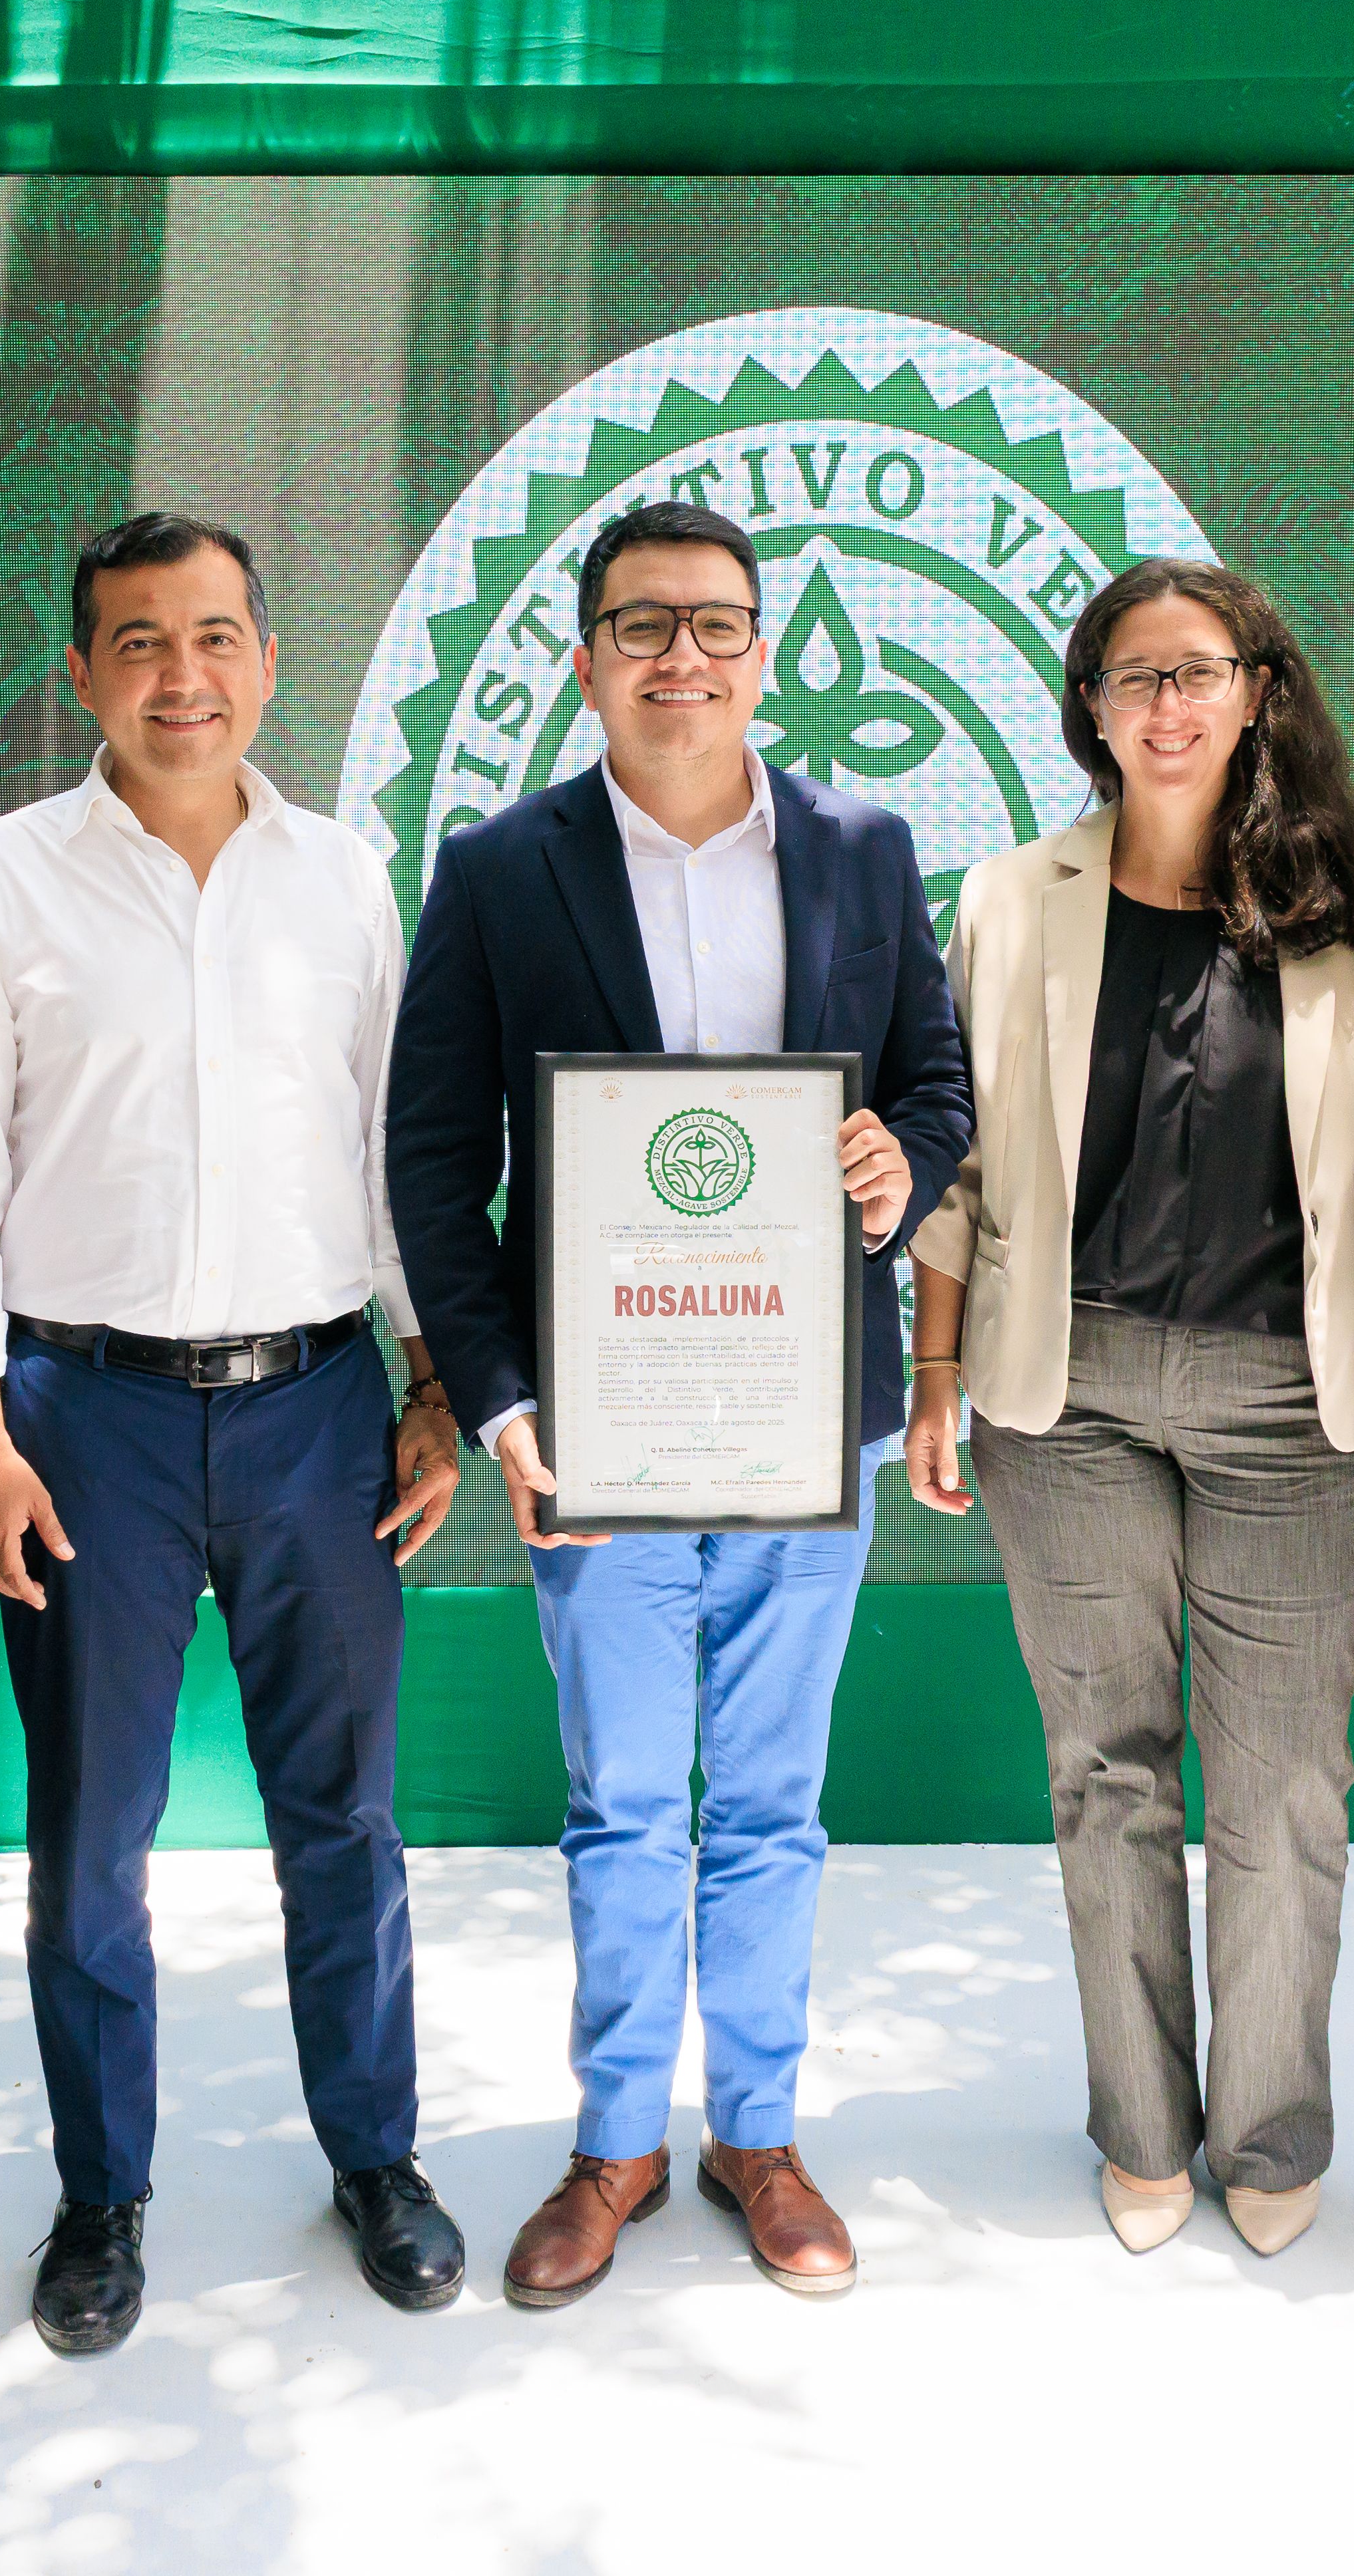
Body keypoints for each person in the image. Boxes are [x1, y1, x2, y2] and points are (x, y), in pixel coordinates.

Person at [386, 498, 973, 2308]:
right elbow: (429, 1160)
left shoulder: (866, 849)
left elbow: (938, 1083)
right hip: (604, 1429)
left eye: (715, 625)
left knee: (775, 1802)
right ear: (585, 662)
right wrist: (495, 1402)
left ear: (763, 653)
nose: (682, 659)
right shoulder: (499, 871)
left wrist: (900, 1159)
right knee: (625, 1799)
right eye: (643, 628)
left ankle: (764, 2135)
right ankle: (617, 2140)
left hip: (816, 1419)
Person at [0, 512, 472, 2355]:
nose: (182, 677)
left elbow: (398, 1156)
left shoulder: (347, 879)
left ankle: (375, 2158)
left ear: (266, 664)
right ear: (82, 673)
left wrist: (435, 1383)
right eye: (139, 644)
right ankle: (101, 2193)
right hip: (89, 1422)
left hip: (318, 1408)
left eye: (216, 638)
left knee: (349, 1818)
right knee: (91, 1841)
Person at [903, 559, 1354, 2260]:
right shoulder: (1010, 899)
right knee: (1105, 1771)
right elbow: (957, 1167)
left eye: (1199, 672)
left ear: (1259, 688)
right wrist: (937, 1376)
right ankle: (1141, 2120)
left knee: (1282, 1787)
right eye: (1134, 678)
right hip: (1071, 1388)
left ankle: (1269, 2125)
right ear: (1090, 708)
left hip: (1290, 1396)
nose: (1168, 706)